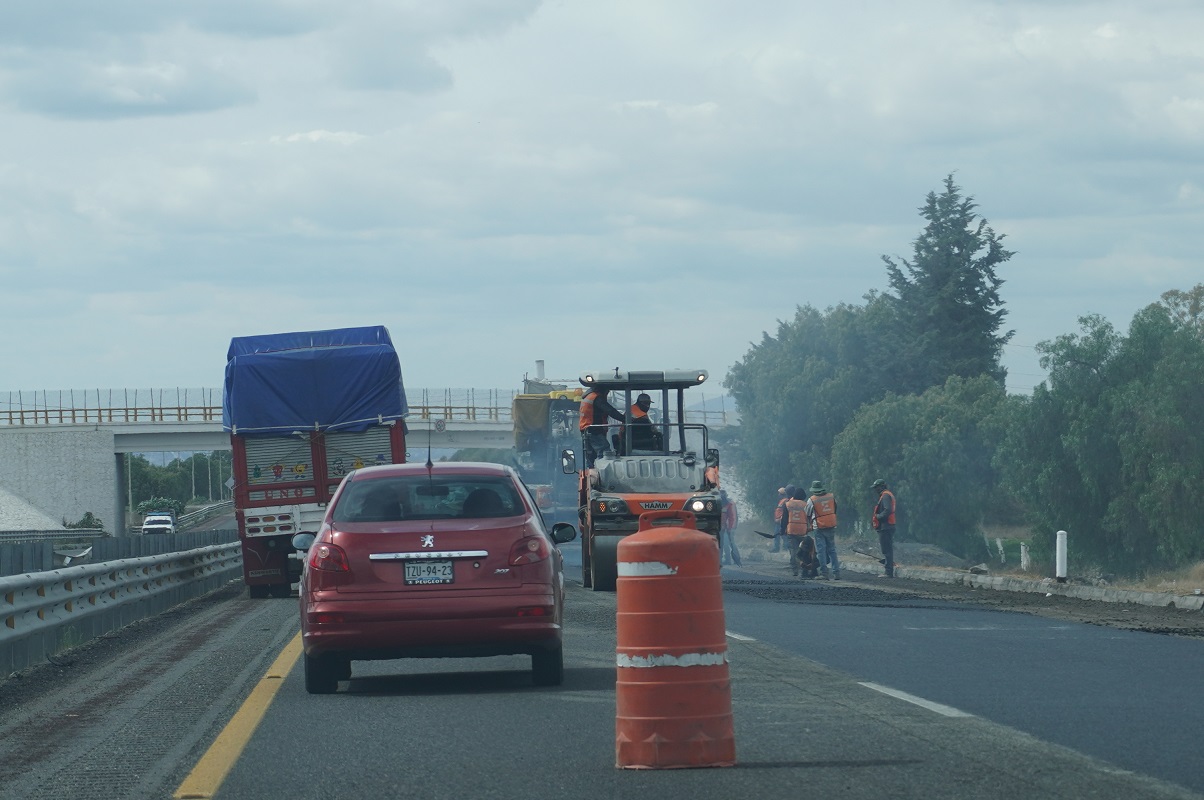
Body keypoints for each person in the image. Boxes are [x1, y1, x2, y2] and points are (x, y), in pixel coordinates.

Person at [578, 388, 624, 466]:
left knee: (591, 456)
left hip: (587, 430)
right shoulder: (596, 398)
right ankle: (603, 474)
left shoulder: (588, 396)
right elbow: (610, 410)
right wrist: (625, 419)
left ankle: (592, 471)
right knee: (605, 452)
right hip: (593, 430)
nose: (607, 393)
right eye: (607, 391)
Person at [805, 480, 839, 580]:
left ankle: (824, 573)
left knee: (821, 551)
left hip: (819, 527)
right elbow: (835, 508)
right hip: (831, 525)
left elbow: (807, 513)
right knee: (832, 550)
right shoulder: (831, 496)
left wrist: (809, 525)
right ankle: (836, 573)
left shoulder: (812, 500)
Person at [783, 486, 815, 578]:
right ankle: (803, 569)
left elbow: (784, 519)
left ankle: (794, 569)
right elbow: (810, 518)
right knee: (804, 551)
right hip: (803, 531)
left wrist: (782, 530)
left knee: (793, 550)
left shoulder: (788, 504)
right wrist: (811, 527)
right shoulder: (806, 505)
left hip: (791, 530)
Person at [870, 478, 897, 578]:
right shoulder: (887, 495)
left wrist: (878, 516)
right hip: (888, 526)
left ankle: (888, 572)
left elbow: (887, 510)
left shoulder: (885, 496)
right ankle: (888, 570)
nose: (875, 490)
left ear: (881, 487)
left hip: (886, 526)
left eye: (876, 487)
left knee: (887, 550)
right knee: (887, 549)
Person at [718, 488, 742, 566]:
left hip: (729, 528)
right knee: (723, 544)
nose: (721, 495)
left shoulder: (730, 504)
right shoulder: (721, 504)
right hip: (722, 528)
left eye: (722, 494)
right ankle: (726, 560)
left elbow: (733, 517)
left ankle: (736, 559)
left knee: (730, 543)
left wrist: (732, 528)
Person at [770, 486, 788, 553]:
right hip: (778, 522)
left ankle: (785, 549)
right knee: (777, 535)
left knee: (783, 536)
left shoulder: (785, 501)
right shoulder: (782, 501)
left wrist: (780, 519)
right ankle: (777, 548)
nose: (778, 495)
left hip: (781, 522)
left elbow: (785, 512)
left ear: (782, 494)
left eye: (779, 494)